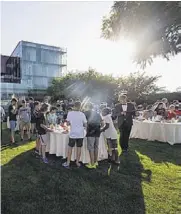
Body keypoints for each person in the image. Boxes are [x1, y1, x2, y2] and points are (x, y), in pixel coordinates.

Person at [62, 101, 87, 169]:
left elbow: (67, 124)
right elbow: (85, 124)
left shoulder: (70, 113)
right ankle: (77, 162)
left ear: (74, 106)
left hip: (73, 134)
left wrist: (70, 124)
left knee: (70, 148)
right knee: (79, 148)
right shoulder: (82, 114)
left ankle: (68, 163)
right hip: (80, 134)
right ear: (80, 106)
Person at [84, 102, 102, 169]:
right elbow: (102, 122)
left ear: (87, 106)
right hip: (97, 131)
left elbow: (84, 123)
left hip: (90, 131)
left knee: (91, 147)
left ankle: (92, 163)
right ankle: (95, 161)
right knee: (96, 147)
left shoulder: (85, 113)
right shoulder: (97, 113)